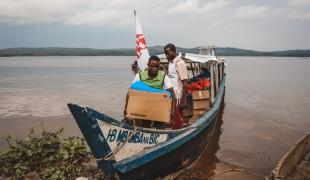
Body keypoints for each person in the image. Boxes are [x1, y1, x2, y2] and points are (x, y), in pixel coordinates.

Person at [125, 55, 174, 128]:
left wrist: (172, 110)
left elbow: (172, 92)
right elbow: (131, 92)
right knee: (144, 125)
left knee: (160, 126)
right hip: (144, 106)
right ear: (148, 65)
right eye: (152, 66)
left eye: (157, 67)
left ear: (159, 66)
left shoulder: (163, 76)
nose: (154, 69)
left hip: (158, 106)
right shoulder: (140, 75)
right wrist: (126, 107)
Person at [164, 43, 189, 129]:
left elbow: (185, 82)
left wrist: (183, 98)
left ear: (174, 51)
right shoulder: (170, 63)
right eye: (165, 54)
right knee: (173, 115)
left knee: (178, 116)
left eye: (168, 53)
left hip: (178, 95)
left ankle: (178, 130)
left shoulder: (180, 63)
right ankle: (173, 128)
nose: (167, 55)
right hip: (171, 94)